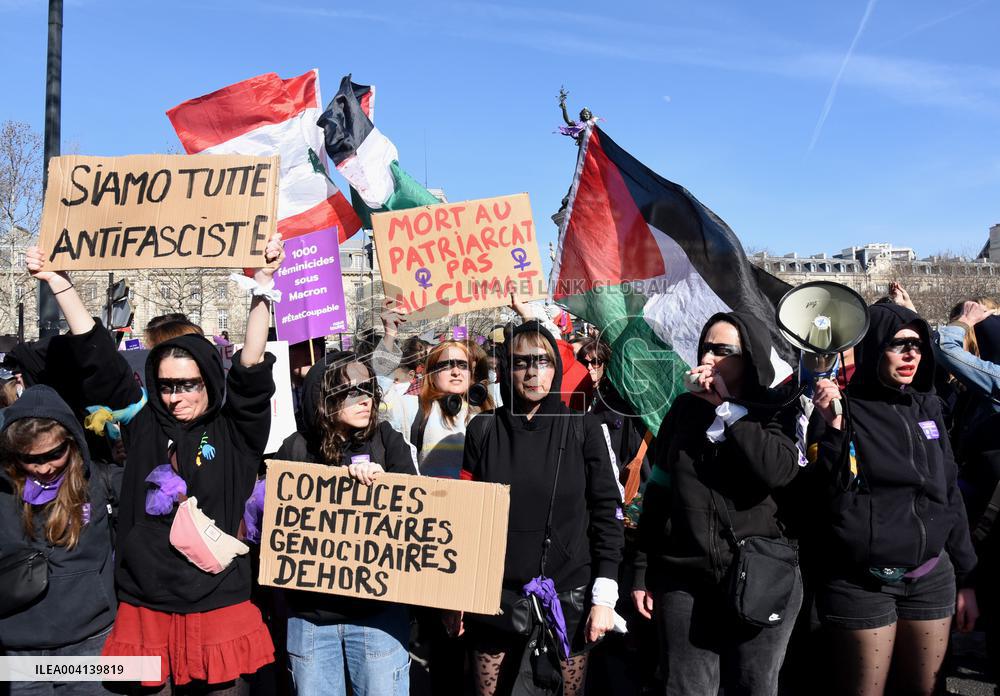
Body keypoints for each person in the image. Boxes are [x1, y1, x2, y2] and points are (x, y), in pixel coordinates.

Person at [24, 235, 285, 694]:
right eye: (166, 385)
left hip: (218, 604)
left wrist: (263, 285)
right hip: (145, 607)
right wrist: (58, 282)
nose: (175, 396)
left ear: (208, 380)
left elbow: (250, 370)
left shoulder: (234, 432)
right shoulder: (143, 423)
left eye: (187, 384)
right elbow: (99, 357)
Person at [808, 302, 979, 696]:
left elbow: (948, 493)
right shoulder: (842, 409)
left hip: (931, 578)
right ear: (872, 350)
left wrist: (967, 579)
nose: (910, 355)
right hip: (862, 585)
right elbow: (830, 499)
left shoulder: (929, 406)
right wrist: (833, 430)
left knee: (925, 690)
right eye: (897, 344)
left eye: (917, 345)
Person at [450, 320, 624, 696]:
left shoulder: (584, 428)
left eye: (543, 361)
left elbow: (607, 513)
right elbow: (466, 517)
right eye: (521, 362)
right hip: (493, 602)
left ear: (556, 368)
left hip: (567, 602)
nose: (532, 372)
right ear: (505, 370)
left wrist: (605, 596)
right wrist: (456, 595)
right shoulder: (482, 430)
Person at [636, 311, 802, 696]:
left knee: (754, 685)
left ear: (749, 358)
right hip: (686, 577)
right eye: (705, 347)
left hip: (759, 571)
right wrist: (643, 569)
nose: (708, 357)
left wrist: (729, 411)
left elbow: (777, 470)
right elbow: (659, 489)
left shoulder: (772, 408)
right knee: (686, 687)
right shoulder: (683, 410)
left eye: (723, 350)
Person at [274, 351, 417, 695]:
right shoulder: (295, 450)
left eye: (367, 389)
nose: (364, 399)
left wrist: (387, 486)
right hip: (311, 621)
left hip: (378, 618)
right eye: (351, 391)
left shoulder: (387, 440)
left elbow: (416, 513)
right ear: (323, 398)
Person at [0, 385, 121, 694]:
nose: (44, 467)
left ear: (73, 443)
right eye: (30, 458)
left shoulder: (99, 481)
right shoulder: (3, 490)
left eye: (54, 454)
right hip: (18, 648)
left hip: (89, 640)